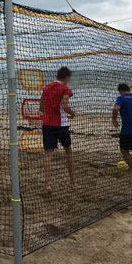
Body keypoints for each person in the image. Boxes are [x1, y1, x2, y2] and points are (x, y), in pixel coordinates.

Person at [40, 66, 76, 194]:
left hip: (47, 124)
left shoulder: (46, 87)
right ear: (66, 77)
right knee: (68, 152)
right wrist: (72, 113)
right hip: (61, 125)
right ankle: (73, 183)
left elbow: (41, 106)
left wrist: (46, 113)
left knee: (48, 155)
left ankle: (48, 185)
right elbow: (65, 106)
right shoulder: (65, 88)